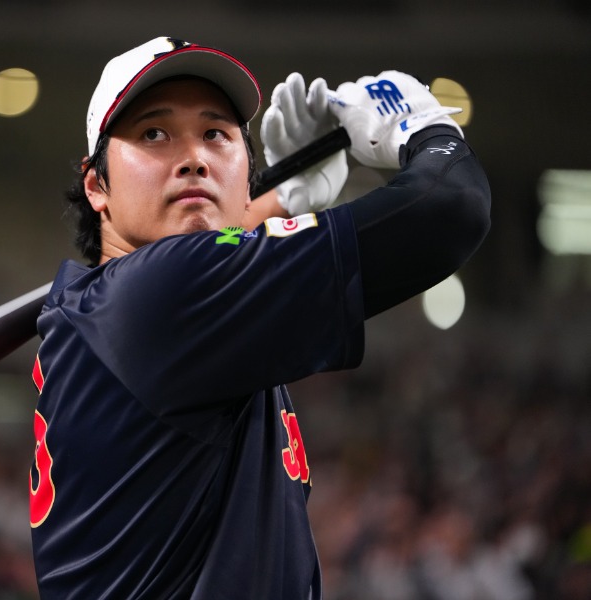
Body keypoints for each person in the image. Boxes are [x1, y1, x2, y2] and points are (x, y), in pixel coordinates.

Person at [28, 36, 491, 599]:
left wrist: (286, 203)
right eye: (154, 133)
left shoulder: (106, 302)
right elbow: (449, 208)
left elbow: (221, 241)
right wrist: (422, 128)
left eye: (217, 134)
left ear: (247, 171)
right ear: (96, 184)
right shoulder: (163, 293)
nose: (195, 157)